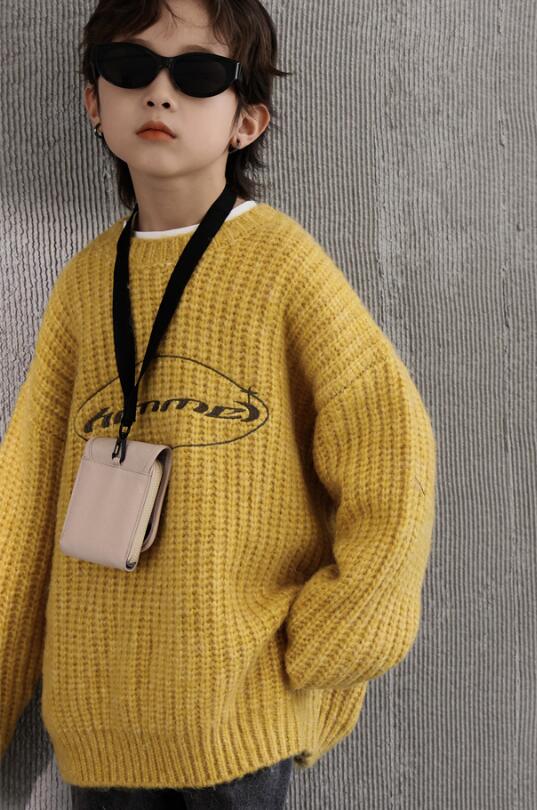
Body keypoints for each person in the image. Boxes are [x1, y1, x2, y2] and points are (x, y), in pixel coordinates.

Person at [0, 0, 437, 807]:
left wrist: (338, 635)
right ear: (94, 102)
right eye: (130, 67)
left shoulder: (281, 264)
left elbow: (391, 447)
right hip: (95, 732)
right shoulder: (85, 284)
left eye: (199, 74)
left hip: (234, 724)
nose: (159, 92)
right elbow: (21, 508)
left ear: (247, 120)